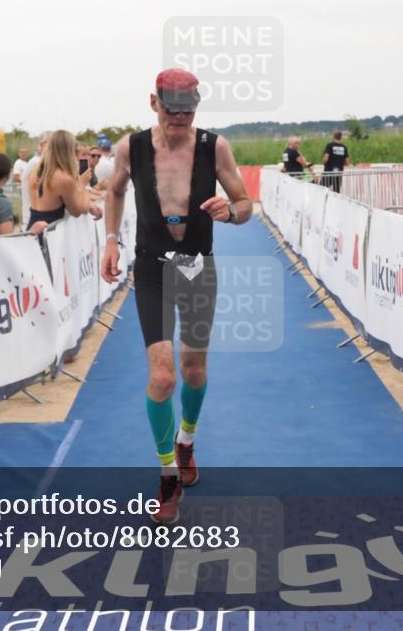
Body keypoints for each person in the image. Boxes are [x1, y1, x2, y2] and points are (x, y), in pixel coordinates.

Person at [100, 68, 251, 524]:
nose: (180, 119)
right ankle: (167, 473)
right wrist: (111, 239)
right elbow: (114, 190)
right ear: (153, 103)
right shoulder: (132, 147)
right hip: (151, 268)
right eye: (172, 110)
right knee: (163, 376)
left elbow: (244, 205)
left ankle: (187, 440)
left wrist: (230, 212)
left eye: (188, 111)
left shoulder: (214, 147)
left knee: (194, 369)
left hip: (198, 268)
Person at [26, 130, 101, 233]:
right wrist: (82, 184)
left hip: (33, 229)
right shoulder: (64, 179)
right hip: (50, 235)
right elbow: (76, 211)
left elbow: (52, 200)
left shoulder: (35, 170)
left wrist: (90, 205)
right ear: (69, 150)